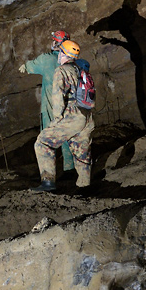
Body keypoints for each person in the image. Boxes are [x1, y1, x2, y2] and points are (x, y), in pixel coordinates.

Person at [31, 40, 95, 192]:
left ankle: (47, 182)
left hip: (72, 116)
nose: (58, 55)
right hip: (86, 115)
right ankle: (84, 187)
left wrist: (57, 119)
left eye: (60, 52)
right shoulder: (81, 69)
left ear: (65, 54)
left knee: (42, 142)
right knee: (81, 152)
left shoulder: (61, 70)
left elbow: (58, 97)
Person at [18, 30, 76, 173]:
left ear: (56, 43)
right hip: (70, 104)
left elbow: (29, 67)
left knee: (47, 138)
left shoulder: (47, 59)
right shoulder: (75, 62)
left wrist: (24, 67)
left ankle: (48, 175)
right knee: (67, 134)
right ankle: (70, 168)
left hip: (51, 105)